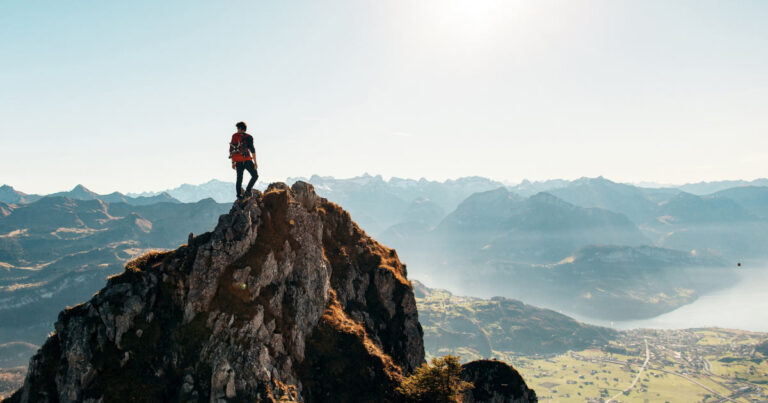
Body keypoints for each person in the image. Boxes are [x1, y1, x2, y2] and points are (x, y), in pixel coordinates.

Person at [229, 121, 258, 199]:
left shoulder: (234, 136)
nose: (237, 130)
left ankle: (239, 195)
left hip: (238, 161)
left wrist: (233, 162)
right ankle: (248, 190)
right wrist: (255, 163)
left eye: (238, 128)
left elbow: (231, 150)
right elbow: (252, 150)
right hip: (247, 160)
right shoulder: (249, 137)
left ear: (240, 128)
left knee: (239, 179)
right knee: (255, 176)